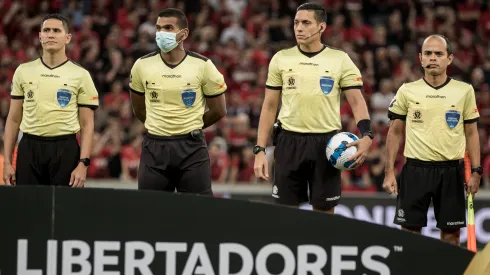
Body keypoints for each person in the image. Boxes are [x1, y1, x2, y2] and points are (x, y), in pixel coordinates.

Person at [253, 2, 373, 213]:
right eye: (296, 23)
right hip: (288, 142)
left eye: (306, 23)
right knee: (286, 214)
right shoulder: (281, 59)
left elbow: (357, 101)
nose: (299, 28)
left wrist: (366, 135)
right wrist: (260, 150)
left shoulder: (340, 59)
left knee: (324, 214)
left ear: (322, 27)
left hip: (326, 143)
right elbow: (269, 107)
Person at [383, 34, 481, 246]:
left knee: (451, 236)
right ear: (420, 58)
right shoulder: (407, 90)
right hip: (415, 170)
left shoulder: (464, 91)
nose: (433, 57)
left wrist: (476, 171)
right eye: (428, 53)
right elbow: (395, 132)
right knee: (409, 233)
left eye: (439, 53)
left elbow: (472, 133)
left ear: (450, 58)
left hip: (451, 173)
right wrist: (389, 171)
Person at [129, 8, 227, 195]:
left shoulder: (203, 65)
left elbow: (219, 110)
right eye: (158, 28)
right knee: (151, 214)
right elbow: (139, 109)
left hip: (192, 148)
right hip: (154, 147)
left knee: (198, 214)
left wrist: (190, 125)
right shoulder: (141, 65)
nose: (161, 33)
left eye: (168, 28)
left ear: (184, 34)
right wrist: (160, 126)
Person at [3, 14, 99, 187]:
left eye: (56, 30)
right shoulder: (23, 71)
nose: (51, 34)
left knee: (65, 210)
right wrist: (7, 162)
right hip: (29, 147)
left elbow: (87, 124)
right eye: (46, 30)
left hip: (65, 148)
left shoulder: (81, 75)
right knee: (29, 208)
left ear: (67, 38)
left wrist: (83, 163)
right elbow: (13, 118)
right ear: (40, 36)